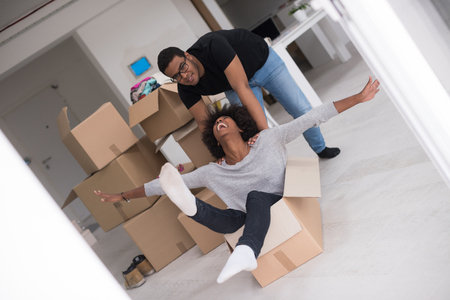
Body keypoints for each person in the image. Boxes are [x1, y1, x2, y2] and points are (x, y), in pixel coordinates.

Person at [95, 77, 380, 283]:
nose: (220, 122)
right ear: (214, 139)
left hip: (277, 199)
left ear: (240, 126)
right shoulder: (212, 171)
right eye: (216, 124)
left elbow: (312, 117)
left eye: (225, 120)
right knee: (219, 212)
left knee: (256, 196)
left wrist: (358, 97)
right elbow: (160, 185)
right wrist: (122, 196)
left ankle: (246, 250)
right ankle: (190, 206)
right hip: (241, 216)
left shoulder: (269, 139)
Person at [157, 28, 340, 159]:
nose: (184, 76)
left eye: (183, 67)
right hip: (233, 83)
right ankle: (276, 168)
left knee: (300, 108)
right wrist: (221, 155)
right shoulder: (185, 87)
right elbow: (205, 125)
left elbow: (242, 87)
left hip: (263, 63)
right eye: (176, 76)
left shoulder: (213, 46)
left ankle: (321, 149)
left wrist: (267, 134)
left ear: (188, 56)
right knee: (250, 130)